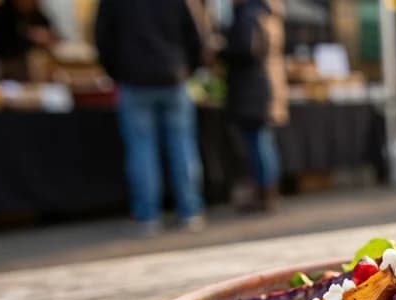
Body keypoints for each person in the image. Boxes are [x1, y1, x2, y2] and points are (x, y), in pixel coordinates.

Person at [95, 0, 207, 236]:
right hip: (173, 76)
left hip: (135, 80)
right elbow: (197, 37)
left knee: (141, 148)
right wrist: (186, 69)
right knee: (181, 146)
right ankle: (189, 211)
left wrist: (119, 73)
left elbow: (103, 39)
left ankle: (148, 216)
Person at [222, 0, 289, 213]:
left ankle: (265, 193)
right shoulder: (268, 12)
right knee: (262, 141)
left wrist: (222, 49)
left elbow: (245, 48)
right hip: (265, 84)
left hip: (252, 87)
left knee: (257, 143)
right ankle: (268, 192)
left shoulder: (250, 13)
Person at [0, 0, 54, 81]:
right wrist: (30, 36)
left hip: (39, 64)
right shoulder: (2, 13)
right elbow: (0, 45)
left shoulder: (36, 13)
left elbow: (51, 33)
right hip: (11, 65)